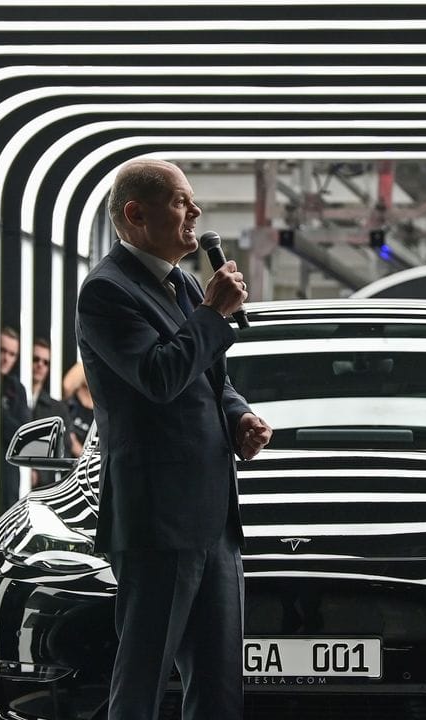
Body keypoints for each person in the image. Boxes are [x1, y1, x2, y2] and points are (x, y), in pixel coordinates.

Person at [76, 158, 272, 720]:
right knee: (142, 681)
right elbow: (159, 377)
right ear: (136, 214)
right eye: (183, 201)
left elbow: (212, 379)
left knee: (218, 689)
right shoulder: (107, 293)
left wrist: (238, 418)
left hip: (213, 519)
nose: (197, 212)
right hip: (157, 522)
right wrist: (212, 313)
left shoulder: (181, 282)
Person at [28, 337, 68, 488]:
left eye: (46, 362)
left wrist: (38, 474)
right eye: (35, 359)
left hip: (41, 490)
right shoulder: (10, 398)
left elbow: (63, 452)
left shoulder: (57, 410)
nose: (40, 365)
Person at [0, 327, 30, 510]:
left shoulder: (16, 389)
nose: (6, 358)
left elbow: (23, 437)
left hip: (7, 478)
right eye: (2, 351)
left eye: (11, 354)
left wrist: (0, 415)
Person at [61, 361, 94, 457]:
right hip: (67, 463)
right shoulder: (72, 402)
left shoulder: (100, 411)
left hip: (87, 467)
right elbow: (68, 384)